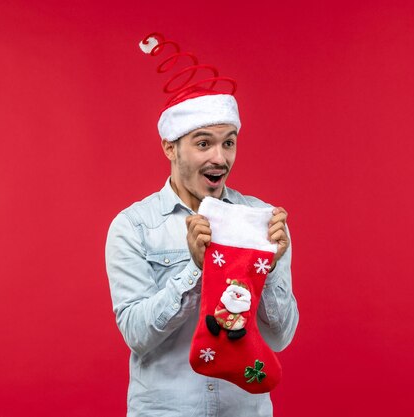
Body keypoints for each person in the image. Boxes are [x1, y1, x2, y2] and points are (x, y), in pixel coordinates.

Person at [105, 33, 299, 417]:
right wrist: (194, 270)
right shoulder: (134, 226)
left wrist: (271, 268)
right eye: (203, 143)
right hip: (165, 410)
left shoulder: (260, 218)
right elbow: (137, 336)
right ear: (169, 147)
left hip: (245, 409)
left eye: (228, 143)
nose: (220, 157)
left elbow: (280, 337)